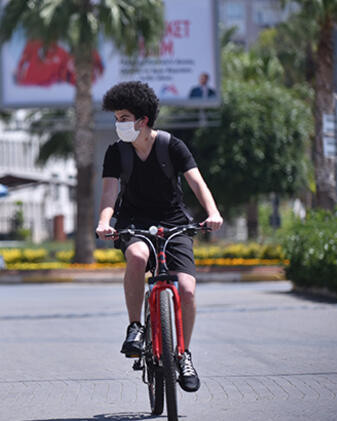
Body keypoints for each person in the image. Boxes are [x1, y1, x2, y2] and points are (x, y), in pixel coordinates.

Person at [96, 81, 223, 393]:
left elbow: (197, 182)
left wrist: (213, 212)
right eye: (116, 117)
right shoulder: (116, 153)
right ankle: (135, 327)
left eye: (124, 117)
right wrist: (104, 222)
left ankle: (183, 355)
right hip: (134, 222)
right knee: (137, 257)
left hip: (174, 222)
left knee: (188, 290)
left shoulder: (172, 146)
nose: (119, 123)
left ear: (143, 120)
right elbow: (109, 195)